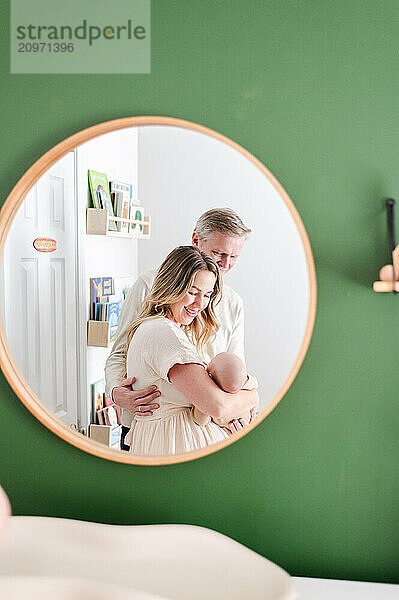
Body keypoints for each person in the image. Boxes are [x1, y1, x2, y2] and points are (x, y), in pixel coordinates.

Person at [105, 208, 252, 448]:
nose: (225, 264)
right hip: (149, 419)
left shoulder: (233, 303)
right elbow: (121, 352)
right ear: (196, 240)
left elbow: (235, 371)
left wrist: (240, 409)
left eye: (234, 257)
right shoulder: (149, 287)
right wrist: (116, 393)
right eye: (219, 253)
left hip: (205, 426)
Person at [123, 246, 258, 456]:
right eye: (192, 293)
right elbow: (218, 406)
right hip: (176, 445)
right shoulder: (163, 332)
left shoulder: (166, 330)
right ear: (170, 287)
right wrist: (253, 397)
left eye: (207, 295)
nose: (200, 304)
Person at [192, 352, 259, 429]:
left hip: (232, 428)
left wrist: (199, 403)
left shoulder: (211, 398)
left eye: (211, 362)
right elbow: (255, 383)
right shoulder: (244, 383)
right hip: (245, 422)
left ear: (210, 374)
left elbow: (200, 420)